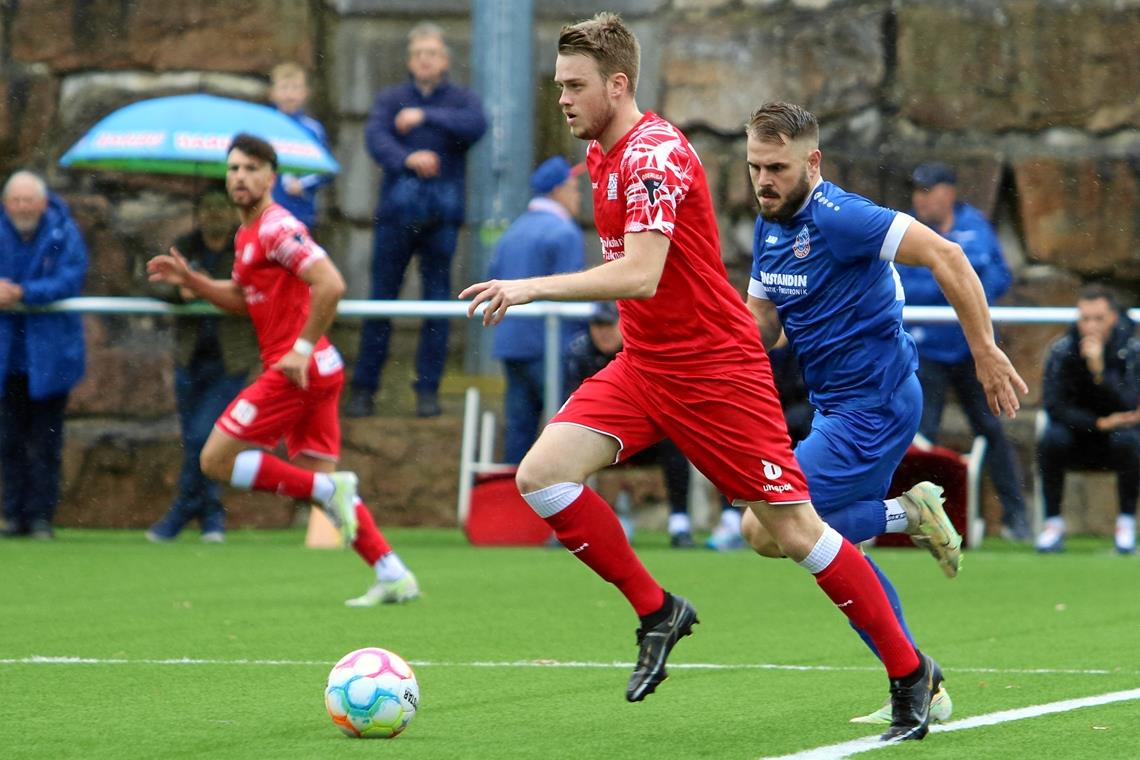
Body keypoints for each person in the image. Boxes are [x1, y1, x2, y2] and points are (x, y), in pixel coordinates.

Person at [462, 14, 946, 741]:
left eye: (574, 85)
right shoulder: (602, 154)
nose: (561, 98)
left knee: (791, 532)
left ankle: (911, 677)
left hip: (718, 373)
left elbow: (643, 273)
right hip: (646, 365)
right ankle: (658, 610)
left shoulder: (654, 155)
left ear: (617, 84)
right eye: (558, 84)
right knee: (543, 475)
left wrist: (531, 288)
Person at [740, 102, 1027, 727]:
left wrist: (985, 351)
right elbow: (763, 325)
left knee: (767, 528)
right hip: (836, 408)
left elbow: (949, 256)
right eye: (755, 166)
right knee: (821, 540)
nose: (763, 180)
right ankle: (922, 672)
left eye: (778, 168)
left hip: (873, 406)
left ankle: (913, 650)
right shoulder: (769, 221)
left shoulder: (843, 216)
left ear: (812, 161)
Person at [147, 133, 419, 607]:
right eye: (233, 169)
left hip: (298, 369)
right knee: (322, 488)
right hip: (315, 369)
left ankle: (330, 490)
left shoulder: (276, 228)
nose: (240, 177)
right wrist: (193, 281)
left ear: (271, 177)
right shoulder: (247, 233)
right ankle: (392, 573)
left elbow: (330, 283)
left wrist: (301, 347)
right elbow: (241, 298)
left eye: (251, 169)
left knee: (215, 460)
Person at [348, 22, 488, 419]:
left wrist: (425, 116)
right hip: (395, 217)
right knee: (380, 302)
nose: (424, 60)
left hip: (441, 220)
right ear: (410, 60)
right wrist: (406, 159)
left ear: (444, 60)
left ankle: (428, 390)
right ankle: (365, 389)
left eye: (432, 53)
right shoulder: (391, 99)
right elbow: (376, 138)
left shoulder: (461, 100)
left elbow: (476, 126)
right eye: (418, 53)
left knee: (437, 306)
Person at [895, 161, 1031, 541]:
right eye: (917, 191)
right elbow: (903, 285)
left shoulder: (977, 229)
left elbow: (996, 279)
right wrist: (954, 285)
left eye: (928, 190)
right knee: (921, 435)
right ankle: (913, 519)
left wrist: (951, 284)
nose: (920, 199)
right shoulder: (908, 230)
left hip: (973, 353)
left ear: (948, 192)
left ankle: (1016, 518)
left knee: (992, 428)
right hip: (926, 352)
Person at [145, 191, 260, 543]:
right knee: (194, 440)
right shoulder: (186, 247)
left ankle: (182, 511)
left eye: (220, 208)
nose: (213, 215)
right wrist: (180, 293)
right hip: (190, 356)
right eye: (206, 207)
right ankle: (210, 514)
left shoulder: (244, 249)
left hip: (230, 358)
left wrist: (206, 288)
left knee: (203, 435)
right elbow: (153, 285)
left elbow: (250, 291)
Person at [565, 301, 698, 548]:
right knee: (566, 443)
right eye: (597, 324)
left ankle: (681, 523)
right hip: (605, 432)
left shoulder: (647, 345)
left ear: (624, 323)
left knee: (677, 439)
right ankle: (568, 527)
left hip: (648, 434)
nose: (602, 331)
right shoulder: (579, 352)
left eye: (609, 324)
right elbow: (572, 404)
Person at [0, 171, 87, 540]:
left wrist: (24, 293)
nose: (22, 207)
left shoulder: (63, 232)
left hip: (51, 357)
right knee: (8, 440)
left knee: (46, 441)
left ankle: (41, 517)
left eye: (28, 200)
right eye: (15, 201)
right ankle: (12, 514)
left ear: (42, 201)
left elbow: (71, 278)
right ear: (7, 204)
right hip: (6, 357)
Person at [489, 156, 587, 464]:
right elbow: (572, 292)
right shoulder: (564, 233)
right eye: (573, 188)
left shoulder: (513, 231)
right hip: (550, 346)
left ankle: (510, 503)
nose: (579, 196)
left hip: (511, 344)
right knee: (562, 428)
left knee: (519, 428)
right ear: (558, 191)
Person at [1036, 284, 1140, 555]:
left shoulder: (1130, 350)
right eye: (1085, 318)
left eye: (1098, 318)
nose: (1090, 326)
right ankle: (1053, 524)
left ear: (1114, 318)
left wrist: (1100, 374)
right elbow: (1054, 407)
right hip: (1077, 434)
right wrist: (1098, 424)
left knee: (1130, 441)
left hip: (1117, 439)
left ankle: (1126, 525)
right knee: (1051, 439)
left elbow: (1130, 405)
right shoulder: (1062, 350)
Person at [706, 344, 811, 551]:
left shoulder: (796, 329)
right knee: (726, 429)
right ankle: (729, 519)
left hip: (803, 407)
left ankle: (854, 521)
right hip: (759, 407)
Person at [267, 62, 333, 231]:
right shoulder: (265, 128)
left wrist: (303, 185)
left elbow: (326, 170)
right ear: (272, 93)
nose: (289, 94)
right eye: (284, 88)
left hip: (301, 211)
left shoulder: (313, 130)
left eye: (295, 88)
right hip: (268, 210)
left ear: (305, 93)